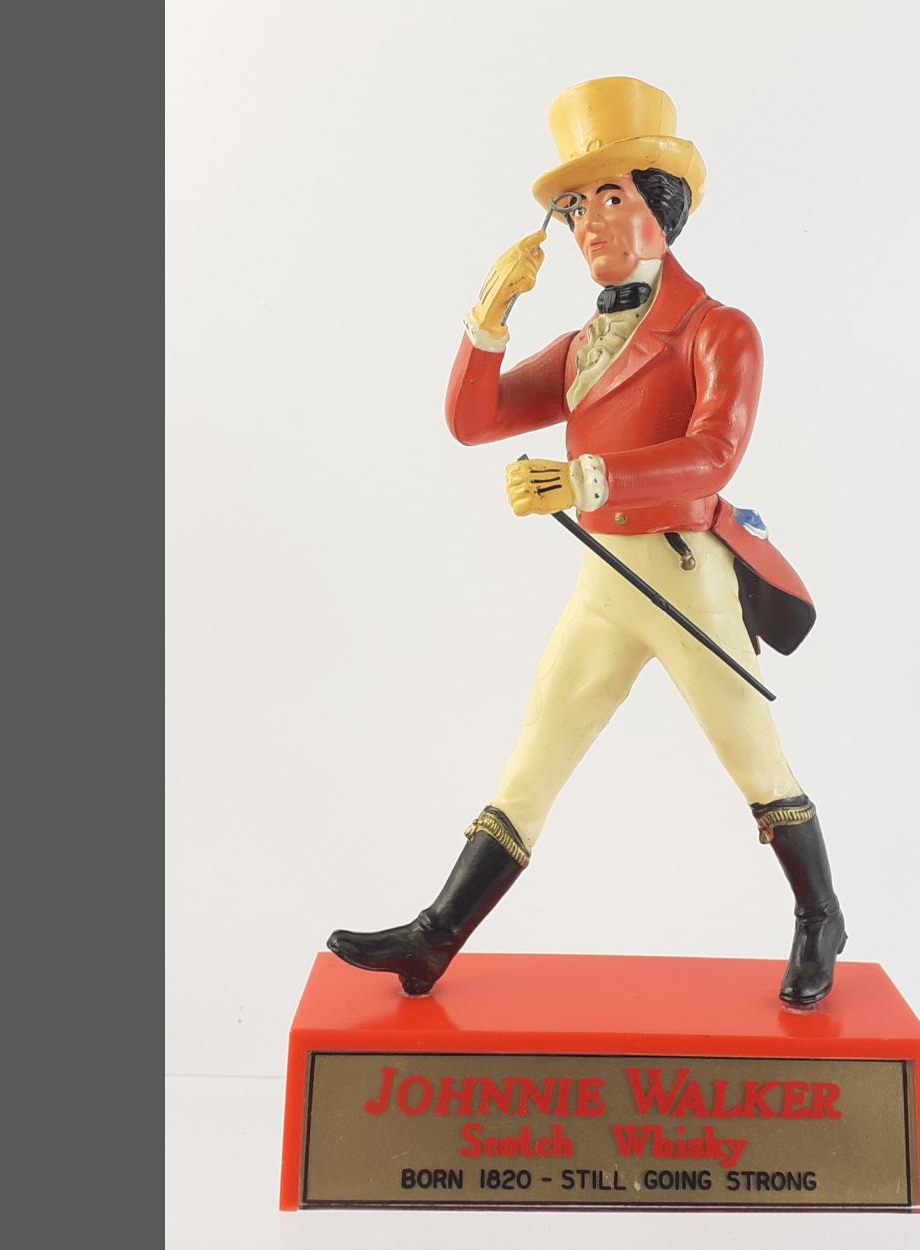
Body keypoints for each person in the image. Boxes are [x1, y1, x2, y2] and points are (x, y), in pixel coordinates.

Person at [328, 78, 846, 1008]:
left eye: (611, 197)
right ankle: (436, 938)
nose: (589, 225)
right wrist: (490, 313)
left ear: (663, 209)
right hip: (605, 585)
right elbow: (473, 419)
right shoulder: (580, 345)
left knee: (753, 755)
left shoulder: (719, 330)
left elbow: (714, 453)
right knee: (536, 754)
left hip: (686, 581)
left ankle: (821, 915)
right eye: (574, 209)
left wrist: (584, 479)